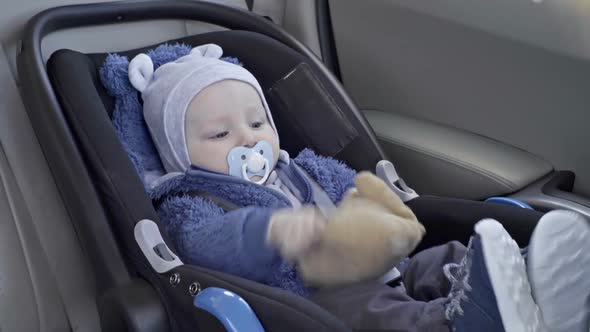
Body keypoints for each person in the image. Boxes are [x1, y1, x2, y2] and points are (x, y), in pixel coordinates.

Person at [124, 43, 590, 331]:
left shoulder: (301, 169)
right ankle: (457, 325)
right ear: (179, 155)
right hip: (313, 295)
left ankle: (533, 280)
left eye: (257, 121)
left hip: (374, 265)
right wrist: (268, 231)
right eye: (220, 135)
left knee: (442, 257)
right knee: (375, 309)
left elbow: (354, 191)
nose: (248, 138)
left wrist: (378, 215)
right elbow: (202, 244)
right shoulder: (189, 200)